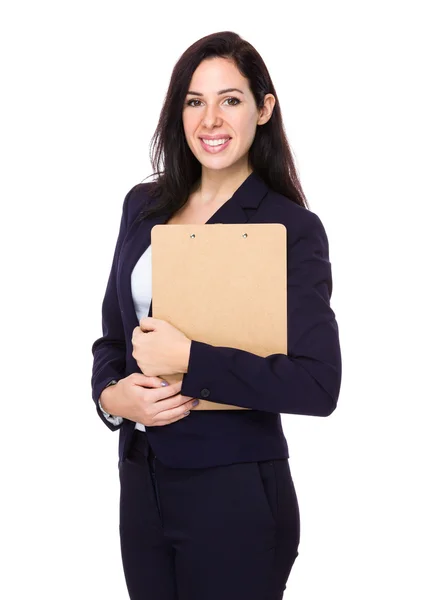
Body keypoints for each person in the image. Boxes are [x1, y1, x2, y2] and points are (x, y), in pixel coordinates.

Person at [91, 30, 342, 600]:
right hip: (141, 482)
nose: (211, 119)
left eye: (230, 99)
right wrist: (111, 397)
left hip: (235, 493)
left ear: (264, 108)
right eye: (194, 101)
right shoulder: (143, 206)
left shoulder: (290, 230)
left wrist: (190, 360)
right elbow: (112, 337)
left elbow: (318, 384)